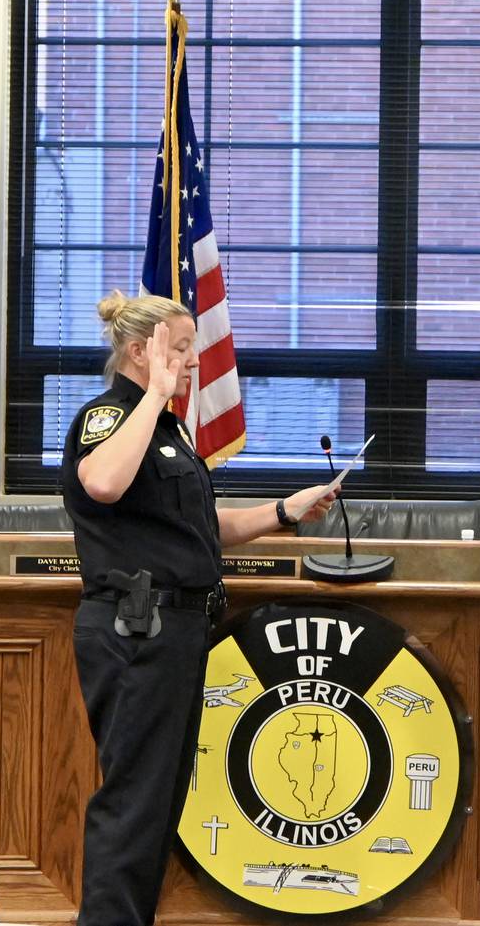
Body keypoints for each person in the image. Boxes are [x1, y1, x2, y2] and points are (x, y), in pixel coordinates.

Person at [62, 290, 336, 926]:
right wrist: (155, 392)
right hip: (137, 631)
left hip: (177, 629)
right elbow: (102, 483)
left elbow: (196, 526)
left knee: (159, 801)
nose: (193, 365)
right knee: (133, 800)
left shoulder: (167, 428)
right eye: (181, 350)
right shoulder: (110, 417)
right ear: (140, 351)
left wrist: (284, 511)